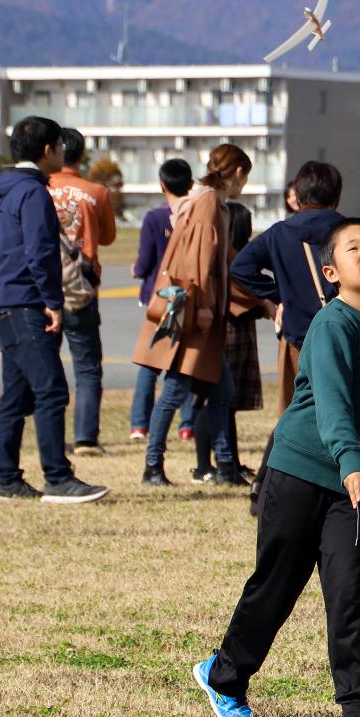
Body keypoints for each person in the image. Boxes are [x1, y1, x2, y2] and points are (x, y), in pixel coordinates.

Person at [191, 218, 360, 717]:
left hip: (353, 482)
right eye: (354, 248)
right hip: (301, 469)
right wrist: (352, 458)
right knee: (277, 585)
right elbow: (331, 399)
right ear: (331, 272)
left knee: (349, 589)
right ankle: (224, 678)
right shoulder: (334, 324)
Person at [0, 115, 109, 505]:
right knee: (51, 390)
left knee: (16, 395)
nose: (62, 152)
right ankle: (57, 477)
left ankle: (7, 480)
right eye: (58, 146)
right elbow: (40, 252)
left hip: (3, 300)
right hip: (25, 301)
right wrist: (53, 302)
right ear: (46, 150)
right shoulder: (34, 192)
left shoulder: (7, 189)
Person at [133, 142, 250, 488]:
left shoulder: (206, 200)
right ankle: (152, 465)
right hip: (196, 312)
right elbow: (199, 255)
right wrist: (201, 306)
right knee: (175, 388)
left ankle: (226, 464)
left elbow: (224, 258)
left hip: (200, 311)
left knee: (219, 388)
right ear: (239, 172)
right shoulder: (209, 201)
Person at [230, 160, 348, 418]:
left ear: (299, 194)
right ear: (336, 194)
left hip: (296, 335)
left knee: (297, 412)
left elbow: (241, 268)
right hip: (344, 335)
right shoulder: (350, 231)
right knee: (343, 412)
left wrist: (276, 295)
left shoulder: (280, 233)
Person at [49, 127, 119, 457]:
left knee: (46, 364)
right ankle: (86, 438)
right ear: (81, 155)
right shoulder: (97, 192)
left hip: (46, 284)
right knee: (88, 367)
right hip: (82, 286)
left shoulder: (42, 188)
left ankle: (48, 435)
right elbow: (106, 238)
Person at [128, 159, 198, 442]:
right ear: (191, 185)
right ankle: (187, 424)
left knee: (150, 361)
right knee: (185, 361)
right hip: (189, 295)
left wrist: (137, 270)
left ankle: (139, 424)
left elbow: (145, 262)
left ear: (162, 185)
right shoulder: (197, 215)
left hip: (158, 297)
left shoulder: (155, 218)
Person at [219, 196, 264, 482]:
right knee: (226, 399)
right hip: (233, 330)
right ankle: (224, 460)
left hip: (241, 329)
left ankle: (231, 459)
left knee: (230, 402)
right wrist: (265, 301)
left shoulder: (235, 254)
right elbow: (244, 292)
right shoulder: (232, 258)